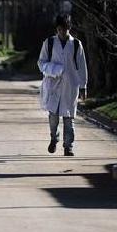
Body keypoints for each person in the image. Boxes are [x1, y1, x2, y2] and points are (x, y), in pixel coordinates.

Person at [37, 14, 88, 156]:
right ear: (56, 29)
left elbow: (82, 67)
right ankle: (54, 138)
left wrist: (83, 86)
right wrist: (54, 70)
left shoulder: (76, 44)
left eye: (64, 29)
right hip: (53, 85)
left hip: (70, 86)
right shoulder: (49, 43)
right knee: (53, 116)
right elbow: (41, 63)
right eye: (59, 29)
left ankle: (68, 146)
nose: (62, 32)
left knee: (68, 117)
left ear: (69, 28)